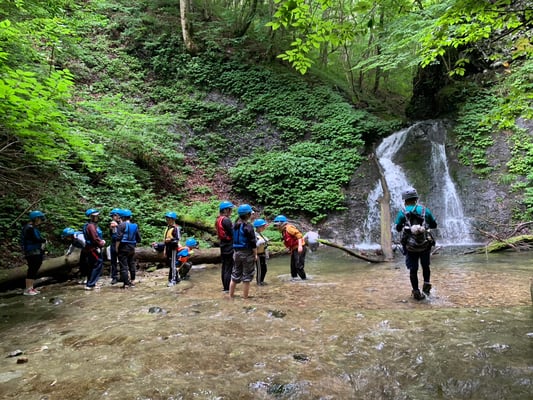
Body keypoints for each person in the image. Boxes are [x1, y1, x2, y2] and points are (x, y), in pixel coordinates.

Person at [395, 187, 437, 300]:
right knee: (425, 266)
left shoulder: (402, 212)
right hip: (425, 244)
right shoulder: (425, 210)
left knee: (413, 269)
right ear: (416, 199)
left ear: (405, 200)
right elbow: (434, 225)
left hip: (410, 246)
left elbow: (398, 228)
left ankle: (416, 291)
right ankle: (426, 285)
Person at [229, 204, 257, 299]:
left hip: (236, 252)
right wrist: (255, 254)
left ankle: (231, 296)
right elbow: (253, 243)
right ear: (248, 214)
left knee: (235, 274)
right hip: (247, 253)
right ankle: (245, 298)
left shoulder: (235, 225)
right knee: (247, 276)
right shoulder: (248, 226)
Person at [20, 210, 47, 295]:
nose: (41, 221)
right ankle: (28, 289)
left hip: (36, 250)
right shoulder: (29, 228)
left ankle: (31, 288)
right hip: (31, 251)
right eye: (40, 219)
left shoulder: (32, 228)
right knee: (32, 268)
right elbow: (35, 239)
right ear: (36, 219)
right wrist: (43, 240)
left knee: (35, 268)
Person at [273, 215, 307, 280]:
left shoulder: (289, 228)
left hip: (299, 247)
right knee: (293, 267)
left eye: (277, 225)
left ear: (282, 223)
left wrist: (300, 246)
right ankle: (294, 280)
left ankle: (304, 280)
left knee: (298, 266)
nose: (277, 227)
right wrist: (291, 250)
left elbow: (299, 235)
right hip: (294, 249)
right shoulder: (284, 230)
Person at [115, 209, 141, 289]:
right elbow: (139, 239)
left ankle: (126, 284)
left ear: (122, 217)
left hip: (123, 247)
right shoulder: (135, 226)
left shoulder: (121, 225)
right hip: (132, 247)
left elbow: (118, 238)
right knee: (131, 264)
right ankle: (132, 281)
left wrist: (116, 248)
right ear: (130, 217)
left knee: (124, 265)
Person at [82, 208, 106, 291]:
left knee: (92, 266)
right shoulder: (91, 226)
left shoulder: (88, 225)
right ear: (91, 217)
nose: (97, 217)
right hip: (94, 249)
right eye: (95, 216)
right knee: (97, 265)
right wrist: (101, 243)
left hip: (90, 248)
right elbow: (94, 238)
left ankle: (90, 283)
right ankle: (90, 284)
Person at [215, 201, 235, 293]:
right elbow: (232, 233)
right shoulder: (226, 220)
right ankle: (227, 288)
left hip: (223, 245)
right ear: (226, 210)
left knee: (225, 267)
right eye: (230, 209)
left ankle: (225, 286)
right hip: (228, 245)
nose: (231, 211)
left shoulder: (218, 219)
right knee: (228, 267)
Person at [162, 211, 182, 286]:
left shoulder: (176, 228)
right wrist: (165, 249)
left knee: (173, 265)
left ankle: (173, 280)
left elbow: (177, 239)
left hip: (173, 248)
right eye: (167, 218)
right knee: (170, 264)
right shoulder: (168, 227)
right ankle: (177, 278)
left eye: (169, 219)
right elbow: (165, 239)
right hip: (168, 248)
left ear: (173, 219)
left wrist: (170, 240)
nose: (167, 220)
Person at [253, 218, 269, 286]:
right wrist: (258, 243)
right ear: (258, 227)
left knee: (264, 269)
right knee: (259, 270)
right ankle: (259, 283)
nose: (264, 227)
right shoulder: (254, 234)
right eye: (263, 226)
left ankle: (261, 281)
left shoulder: (260, 234)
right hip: (258, 254)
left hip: (263, 254)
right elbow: (253, 245)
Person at [108, 208, 122, 284]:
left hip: (121, 244)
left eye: (115, 216)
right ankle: (114, 277)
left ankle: (123, 276)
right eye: (113, 216)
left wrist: (118, 226)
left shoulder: (123, 223)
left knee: (122, 261)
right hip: (113, 243)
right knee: (113, 261)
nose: (114, 217)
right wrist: (111, 229)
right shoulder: (112, 223)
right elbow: (111, 235)